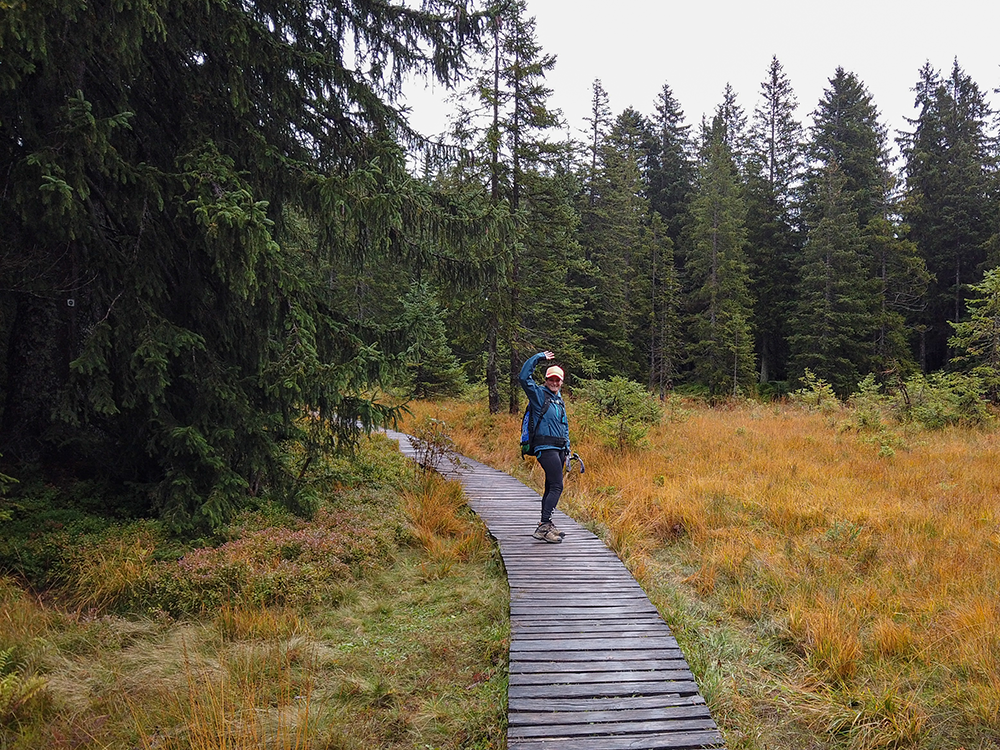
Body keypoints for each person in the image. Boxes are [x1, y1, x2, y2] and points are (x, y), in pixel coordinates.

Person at [519, 350, 570, 544]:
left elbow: (564, 426)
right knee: (557, 485)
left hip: (558, 449)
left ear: (562, 382)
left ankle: (545, 525)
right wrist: (538, 357)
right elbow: (524, 377)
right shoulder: (539, 395)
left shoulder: (559, 401)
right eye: (551, 379)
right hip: (544, 447)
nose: (554, 383)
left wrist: (567, 449)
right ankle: (544, 525)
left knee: (550, 486)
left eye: (558, 380)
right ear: (546, 380)